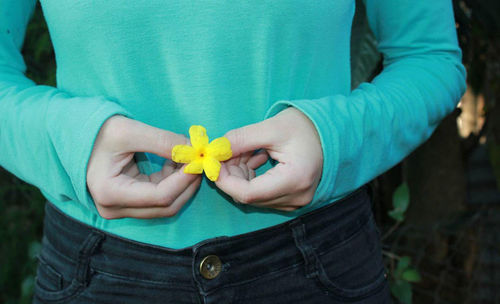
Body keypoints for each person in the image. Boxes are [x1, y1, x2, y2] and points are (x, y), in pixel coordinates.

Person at [0, 0, 466, 303]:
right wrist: (73, 143)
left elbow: (429, 57)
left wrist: (334, 138)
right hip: (99, 274)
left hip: (318, 267)